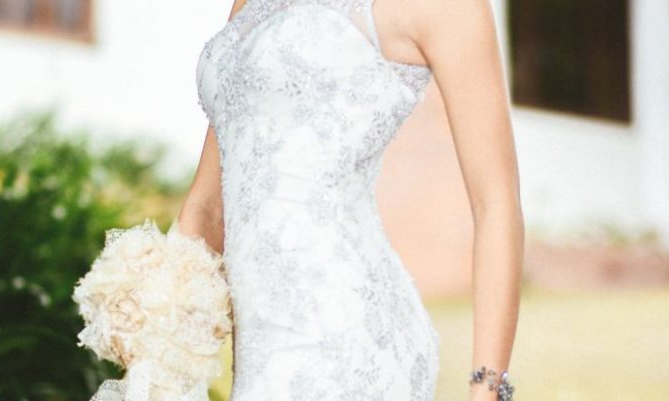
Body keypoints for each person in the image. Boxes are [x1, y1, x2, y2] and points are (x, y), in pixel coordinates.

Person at [177, 0, 524, 400]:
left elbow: (495, 203)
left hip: (343, 340)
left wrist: (488, 388)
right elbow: (206, 207)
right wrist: (163, 334)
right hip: (258, 347)